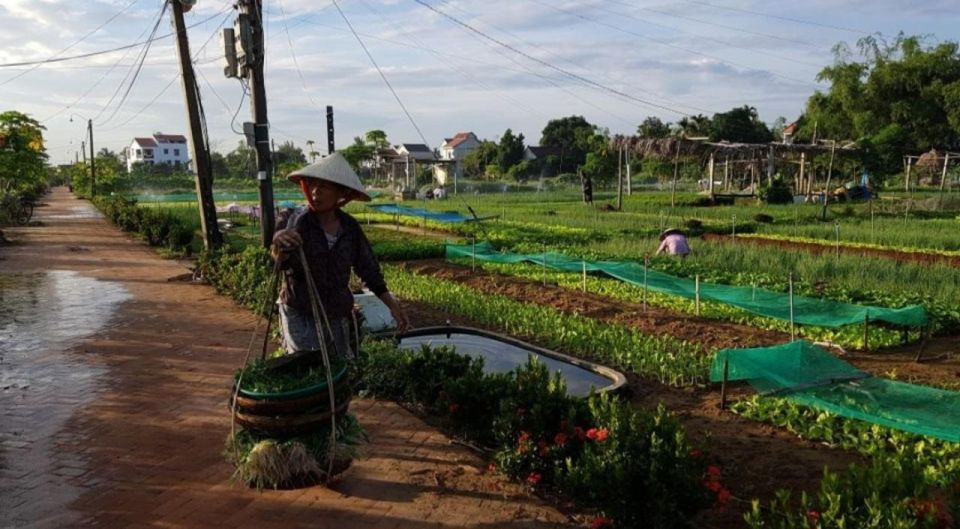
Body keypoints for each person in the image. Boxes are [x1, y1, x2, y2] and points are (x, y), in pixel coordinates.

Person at [271, 153, 410, 359]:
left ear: (341, 193)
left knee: (339, 368)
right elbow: (276, 260)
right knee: (308, 368)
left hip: (336, 312)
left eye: (324, 187)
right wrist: (278, 246)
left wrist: (392, 305)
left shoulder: (350, 229)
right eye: (313, 185)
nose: (316, 192)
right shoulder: (293, 221)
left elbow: (369, 270)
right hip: (300, 310)